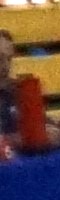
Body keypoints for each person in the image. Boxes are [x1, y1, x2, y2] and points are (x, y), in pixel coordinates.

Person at [0, 25, 46, 157]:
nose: (6, 66)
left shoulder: (19, 90)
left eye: (9, 59)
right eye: (0, 58)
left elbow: (42, 125)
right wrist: (19, 139)